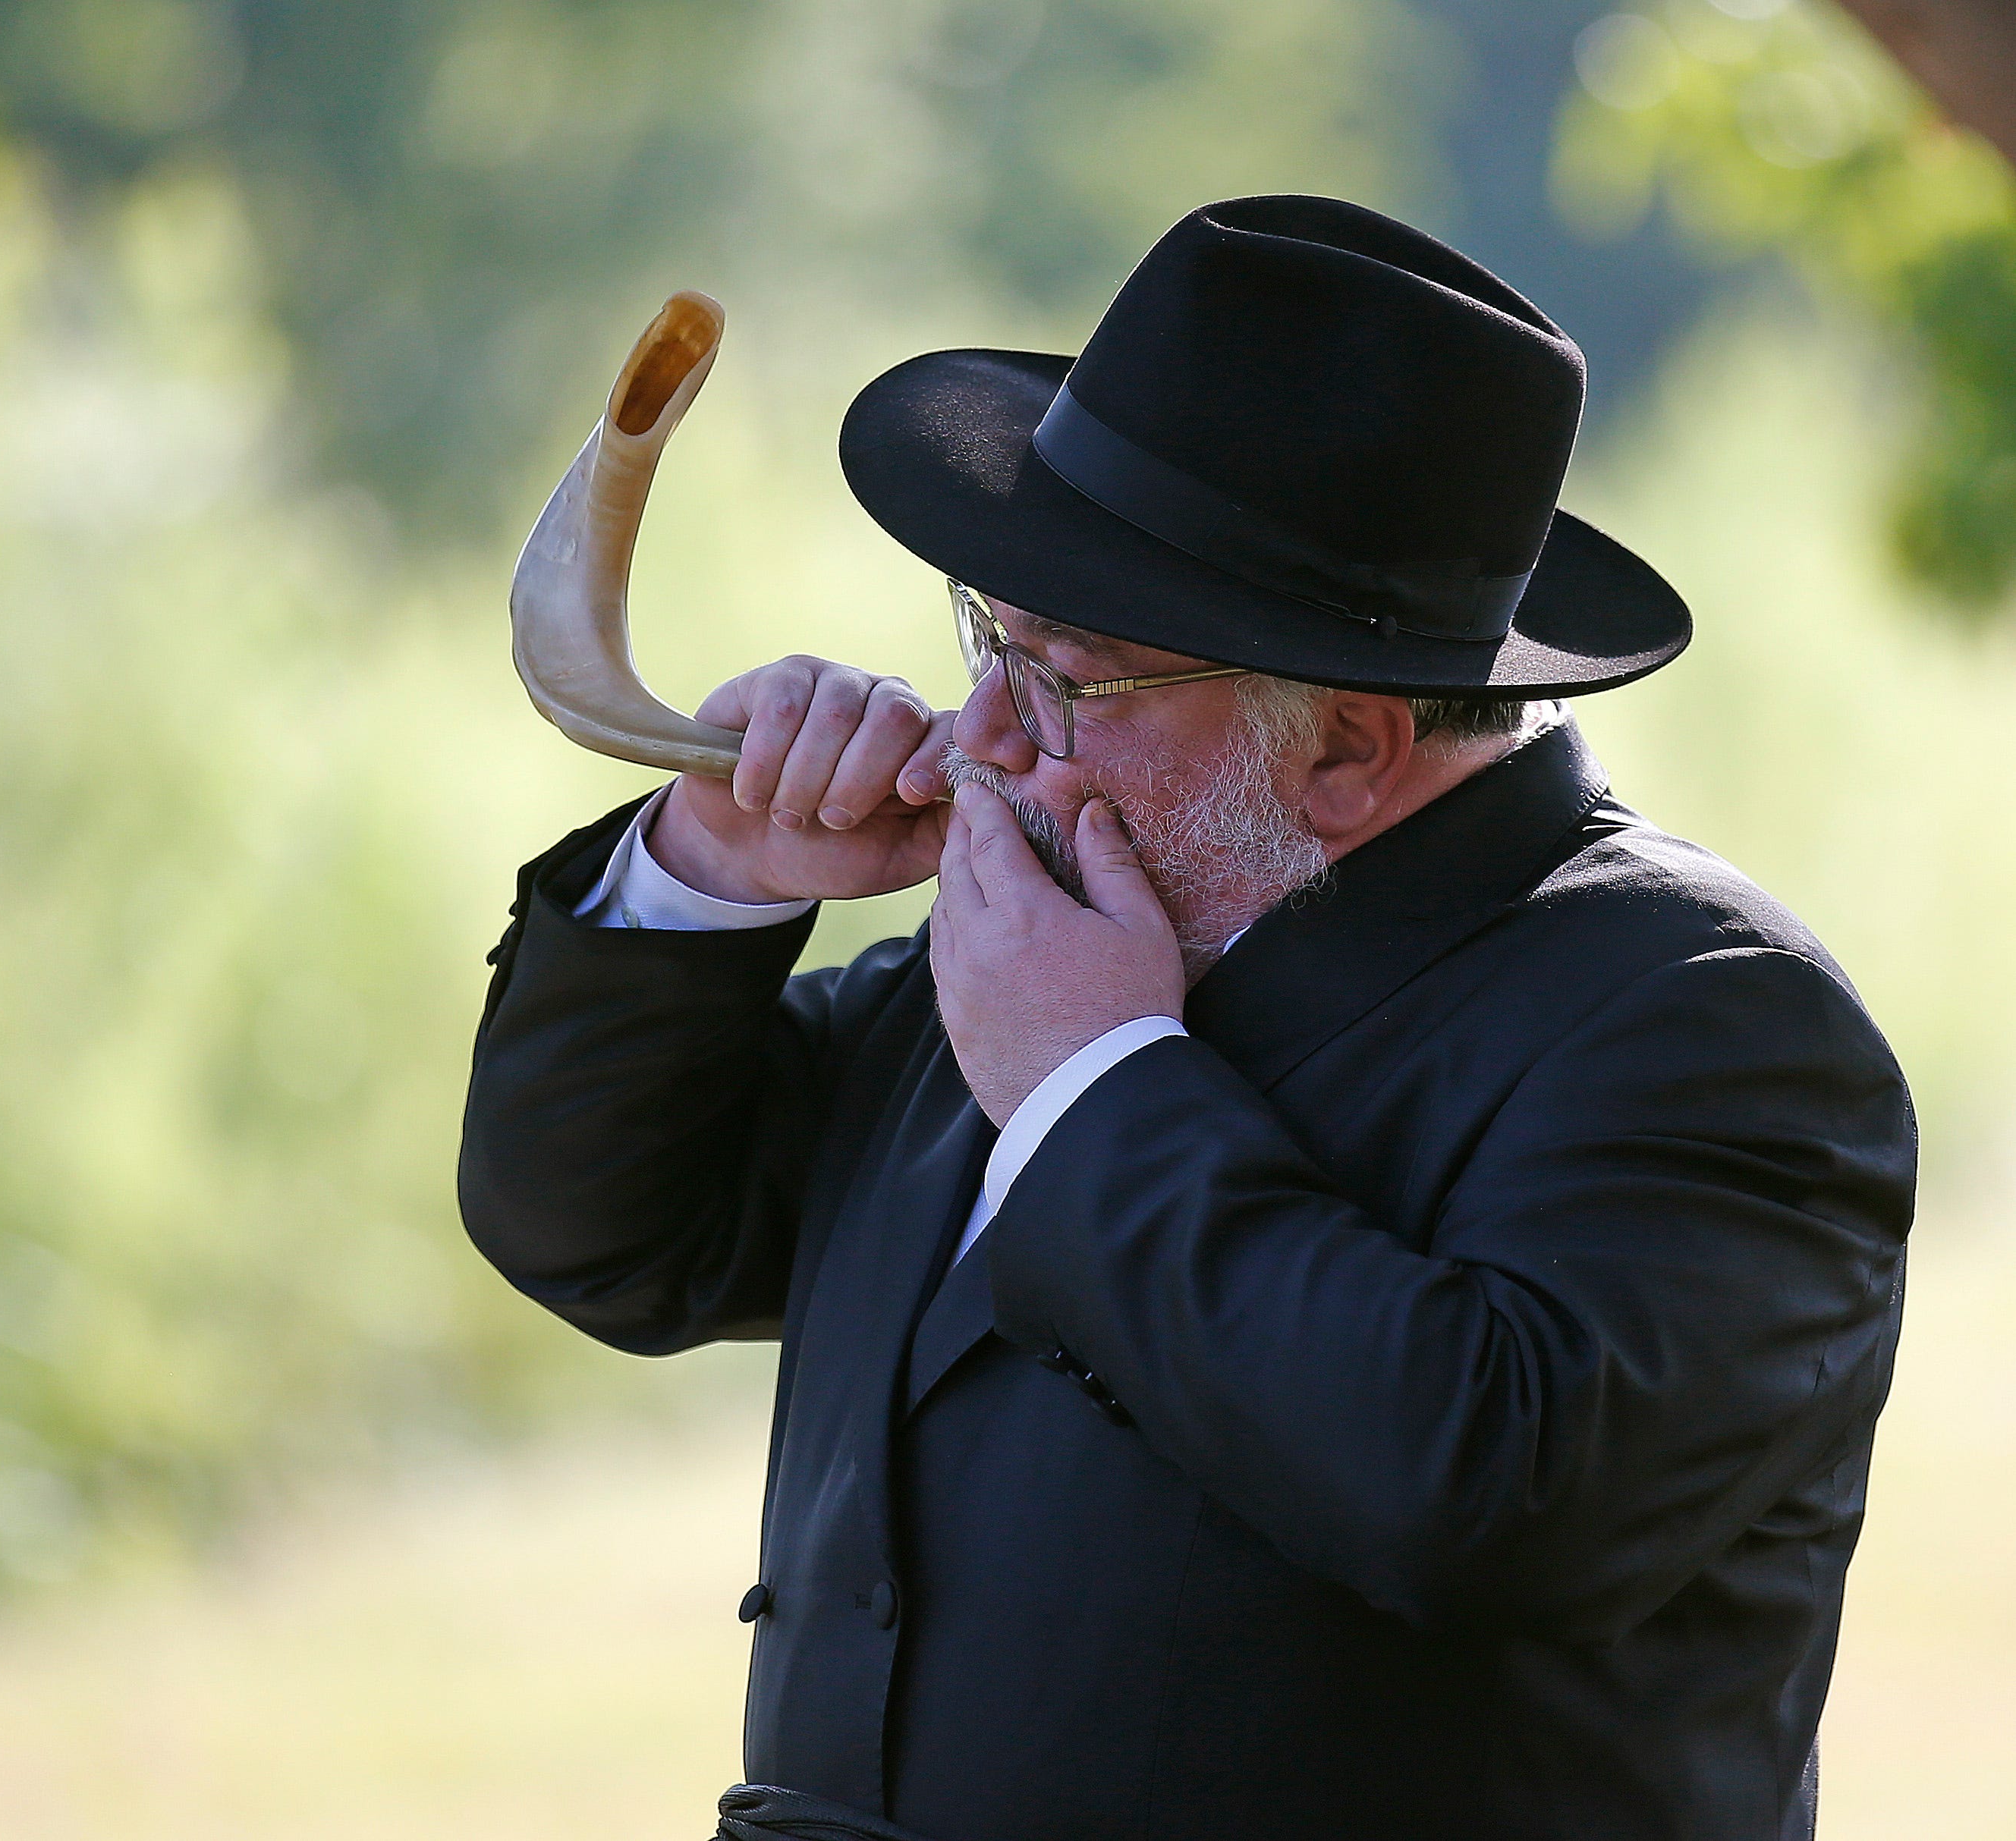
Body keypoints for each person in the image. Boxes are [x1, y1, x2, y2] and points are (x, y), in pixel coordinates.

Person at [457, 196, 1914, 1841]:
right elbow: (608, 1230)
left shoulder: (1706, 1019)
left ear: (1349, 749)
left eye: (1065, 678)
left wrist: (1090, 1085)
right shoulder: (1072, 929)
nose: (984, 728)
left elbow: (1483, 1495)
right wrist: (711, 874)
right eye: (983, 640)